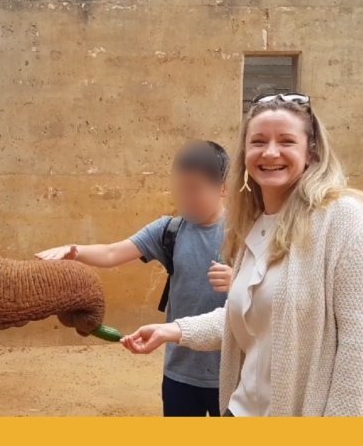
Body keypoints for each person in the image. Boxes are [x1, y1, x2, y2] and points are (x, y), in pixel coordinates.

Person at [120, 93, 363, 416]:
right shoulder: (253, 225)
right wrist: (173, 330)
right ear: (245, 154)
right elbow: (251, 317)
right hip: (242, 411)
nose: (270, 152)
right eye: (259, 141)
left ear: (311, 152)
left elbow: (360, 354)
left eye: (287, 141)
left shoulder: (347, 221)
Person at [36, 140, 234, 417]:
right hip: (179, 372)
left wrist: (239, 280)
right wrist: (75, 251)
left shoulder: (244, 232)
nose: (186, 198)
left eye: (196, 190)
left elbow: (269, 290)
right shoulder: (170, 230)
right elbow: (112, 252)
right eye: (181, 189)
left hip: (230, 374)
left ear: (223, 188)